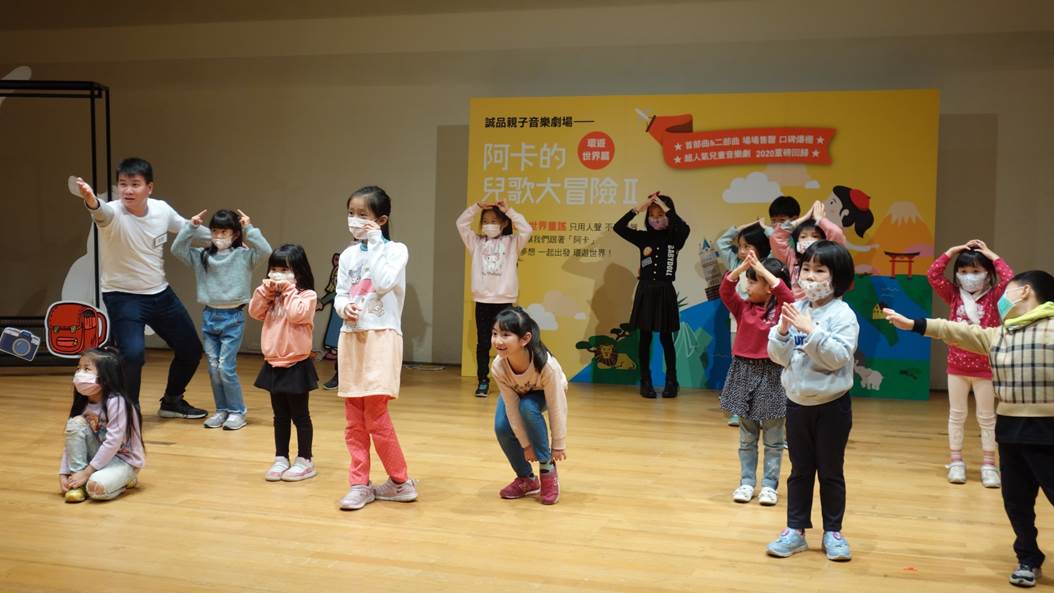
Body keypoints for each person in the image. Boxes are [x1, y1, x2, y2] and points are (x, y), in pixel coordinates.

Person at [884, 270, 1054, 588]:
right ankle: (1028, 558)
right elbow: (957, 331)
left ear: (1025, 292)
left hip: (1047, 430)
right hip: (1010, 431)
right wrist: (914, 324)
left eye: (1009, 290)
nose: (1003, 298)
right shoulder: (1000, 334)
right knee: (1016, 502)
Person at [73, 158, 209, 418]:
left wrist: (225, 238)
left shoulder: (161, 210)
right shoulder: (113, 213)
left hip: (160, 294)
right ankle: (128, 414)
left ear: (149, 187)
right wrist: (90, 200)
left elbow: (186, 230)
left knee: (191, 349)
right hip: (122, 297)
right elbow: (100, 212)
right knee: (133, 356)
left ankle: (172, 401)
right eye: (123, 184)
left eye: (135, 184)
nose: (128, 190)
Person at [765, 241, 859, 562]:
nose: (810, 276)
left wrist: (812, 331)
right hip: (797, 403)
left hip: (833, 406)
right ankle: (795, 531)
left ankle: (833, 532)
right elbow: (779, 357)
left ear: (837, 278)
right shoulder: (796, 307)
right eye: (806, 269)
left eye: (820, 271)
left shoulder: (843, 315)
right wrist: (782, 332)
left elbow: (838, 358)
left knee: (830, 471)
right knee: (800, 470)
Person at [336, 186, 417, 511]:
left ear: (381, 220)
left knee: (375, 415)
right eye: (351, 213)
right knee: (353, 419)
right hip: (351, 336)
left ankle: (400, 481)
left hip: (382, 336)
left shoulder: (396, 250)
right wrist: (344, 308)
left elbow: (383, 282)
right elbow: (341, 293)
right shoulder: (347, 255)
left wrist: (374, 242)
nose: (354, 220)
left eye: (362, 215)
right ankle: (359, 483)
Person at [172, 208, 271, 430]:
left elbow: (265, 250)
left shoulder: (244, 256)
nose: (218, 235)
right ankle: (222, 410)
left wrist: (249, 228)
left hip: (233, 317)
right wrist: (191, 227)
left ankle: (237, 412)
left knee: (226, 367)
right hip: (210, 315)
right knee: (213, 367)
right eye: (215, 231)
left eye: (224, 231)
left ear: (234, 234)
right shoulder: (202, 256)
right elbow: (177, 249)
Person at [926, 239, 1013, 487]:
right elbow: (933, 275)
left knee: (987, 417)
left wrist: (992, 255)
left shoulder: (995, 296)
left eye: (976, 271)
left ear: (987, 273)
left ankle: (989, 465)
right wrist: (951, 252)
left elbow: (1009, 280)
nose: (969, 276)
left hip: (986, 369)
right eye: (963, 271)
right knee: (957, 415)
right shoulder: (954, 295)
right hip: (957, 367)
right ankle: (956, 462)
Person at [720, 252, 793, 506]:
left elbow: (788, 296)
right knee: (747, 436)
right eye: (747, 281)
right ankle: (747, 482)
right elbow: (725, 290)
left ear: (769, 287)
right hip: (744, 372)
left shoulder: (781, 310)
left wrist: (764, 271)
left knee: (774, 438)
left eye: (753, 282)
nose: (747, 286)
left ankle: (769, 486)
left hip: (772, 375)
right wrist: (742, 268)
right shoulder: (743, 307)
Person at [248, 245, 318, 482]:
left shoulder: (307, 296)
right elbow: (254, 312)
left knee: (300, 415)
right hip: (273, 363)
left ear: (298, 271)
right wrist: (265, 290)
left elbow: (297, 315)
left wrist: (288, 289)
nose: (278, 274)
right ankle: (281, 457)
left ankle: (305, 460)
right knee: (279, 416)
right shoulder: (271, 297)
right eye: (274, 269)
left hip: (296, 363)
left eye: (285, 270)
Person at [613, 192, 690, 398]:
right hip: (645, 290)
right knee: (645, 337)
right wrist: (639, 207)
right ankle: (645, 381)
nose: (656, 219)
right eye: (652, 215)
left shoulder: (675, 237)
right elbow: (618, 227)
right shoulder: (643, 237)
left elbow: (685, 228)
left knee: (666, 337)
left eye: (660, 214)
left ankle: (672, 381)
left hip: (665, 290)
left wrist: (665, 207)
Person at [490, 306, 569, 505]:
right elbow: (511, 406)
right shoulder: (498, 366)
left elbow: (557, 406)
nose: (498, 341)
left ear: (524, 339)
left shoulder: (547, 367)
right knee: (502, 427)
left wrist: (558, 444)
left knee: (528, 408)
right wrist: (526, 445)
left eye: (506, 335)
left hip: (544, 392)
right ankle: (527, 479)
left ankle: (547, 468)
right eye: (495, 333)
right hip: (518, 391)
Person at [456, 199, 532, 397]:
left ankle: (510, 380)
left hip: (504, 301)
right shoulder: (476, 243)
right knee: (483, 343)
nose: (489, 225)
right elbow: (461, 223)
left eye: (494, 221)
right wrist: (476, 207)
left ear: (504, 223)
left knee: (508, 343)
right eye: (485, 221)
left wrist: (510, 211)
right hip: (482, 301)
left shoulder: (512, 243)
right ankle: (483, 380)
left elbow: (526, 229)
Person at [58, 347, 144, 503]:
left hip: (122, 459)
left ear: (105, 377)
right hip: (97, 456)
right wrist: (64, 473)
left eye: (87, 369)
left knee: (95, 488)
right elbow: (71, 441)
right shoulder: (82, 403)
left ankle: (124, 478)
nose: (80, 374)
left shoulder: (117, 401)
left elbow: (113, 442)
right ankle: (78, 484)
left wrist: (87, 473)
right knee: (74, 424)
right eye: (78, 368)